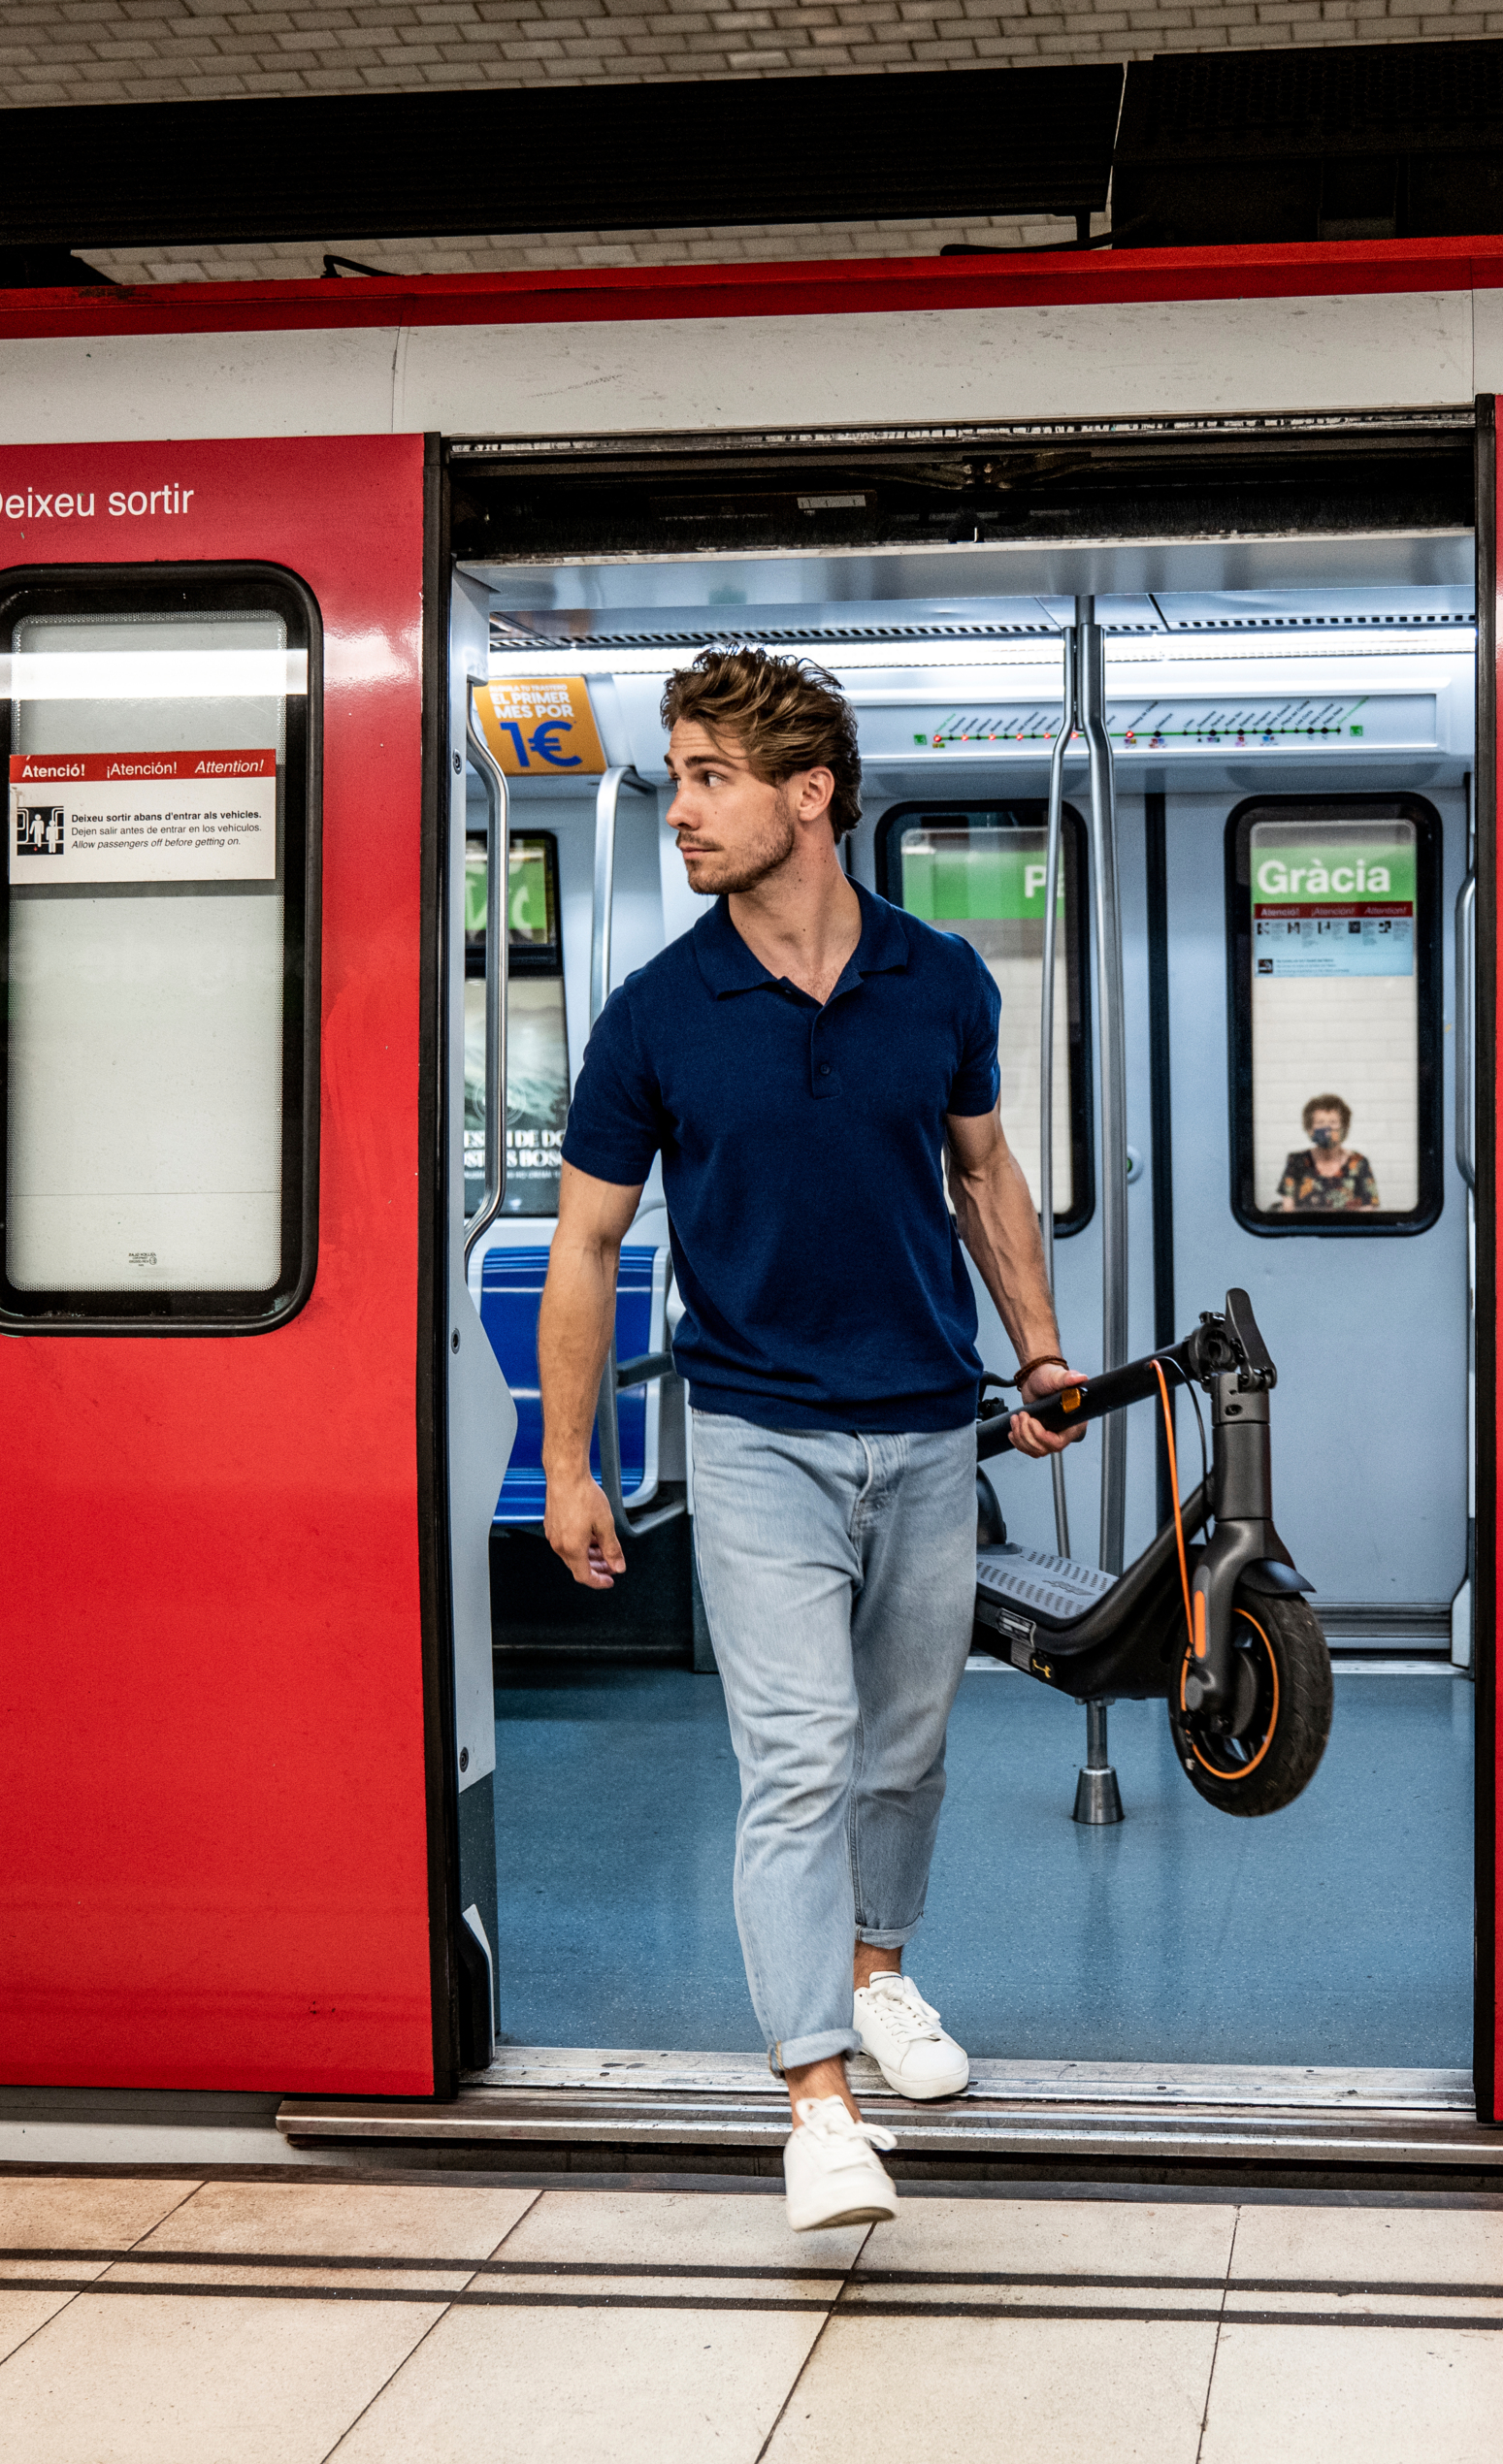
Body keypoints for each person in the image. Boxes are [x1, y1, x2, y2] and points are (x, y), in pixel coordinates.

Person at [537, 647, 1082, 2233]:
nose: (682, 811)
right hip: (757, 1431)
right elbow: (586, 1245)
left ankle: (878, 1970)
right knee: (798, 1757)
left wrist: (1040, 1351)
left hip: (928, 1423)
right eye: (679, 779)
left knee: (906, 1746)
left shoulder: (941, 980)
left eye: (711, 779)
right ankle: (817, 2103)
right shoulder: (656, 1014)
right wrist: (570, 1461)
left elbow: (983, 1173)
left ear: (810, 794)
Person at [1272, 1092, 1378, 1213]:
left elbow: (1368, 1209)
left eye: (1333, 1122)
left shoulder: (1358, 1163)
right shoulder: (1297, 1161)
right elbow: (1288, 1209)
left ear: (1344, 1127)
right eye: (1320, 1123)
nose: (1327, 1129)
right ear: (1310, 1129)